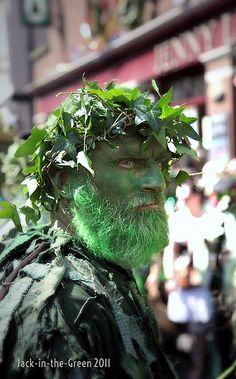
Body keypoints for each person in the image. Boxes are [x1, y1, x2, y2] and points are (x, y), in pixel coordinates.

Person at [0, 78, 198, 379]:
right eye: (128, 161)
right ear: (64, 181)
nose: (158, 182)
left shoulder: (98, 268)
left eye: (159, 164)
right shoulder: (62, 307)